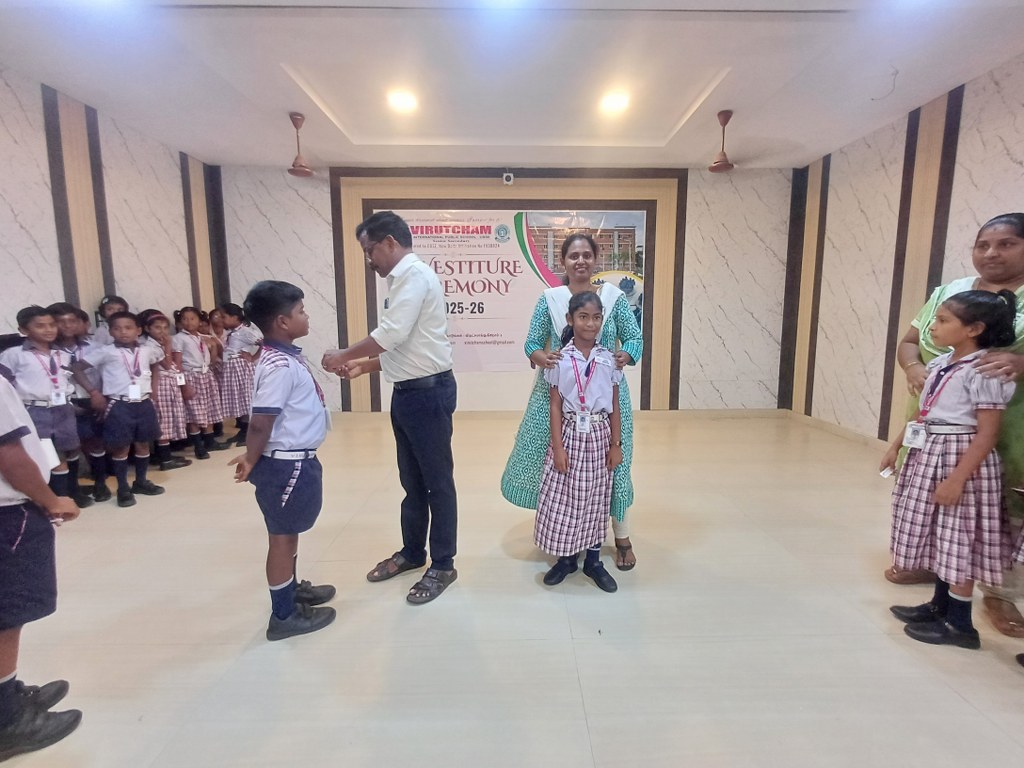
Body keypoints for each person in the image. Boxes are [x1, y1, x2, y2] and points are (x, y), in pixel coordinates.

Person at [892, 213, 1024, 639]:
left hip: (977, 446)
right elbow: (911, 347)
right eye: (983, 244)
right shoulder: (948, 341)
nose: (992, 253)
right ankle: (939, 601)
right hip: (936, 442)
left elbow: (986, 432)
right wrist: (898, 442)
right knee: (942, 527)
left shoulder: (982, 372)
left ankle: (977, 610)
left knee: (968, 531)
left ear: (975, 329)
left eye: (1006, 244)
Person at [322, 210, 459, 605]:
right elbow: (408, 346)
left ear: (389, 243)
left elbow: (392, 334)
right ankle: (413, 552)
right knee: (411, 481)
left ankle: (443, 563)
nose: (369, 259)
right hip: (408, 393)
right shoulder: (402, 280)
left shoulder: (414, 276)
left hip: (428, 395)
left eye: (370, 250)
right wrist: (363, 366)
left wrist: (344, 354)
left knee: (437, 483)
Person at [501, 233, 643, 570]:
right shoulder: (550, 299)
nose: (580, 261)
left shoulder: (612, 298)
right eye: (573, 256)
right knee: (558, 467)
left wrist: (626, 354)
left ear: (595, 259)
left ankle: (621, 537)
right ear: (563, 262)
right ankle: (567, 536)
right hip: (556, 396)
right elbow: (532, 343)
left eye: (586, 255)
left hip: (606, 401)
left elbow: (634, 337)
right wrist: (542, 357)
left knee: (613, 466)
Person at [229, 280, 336, 641]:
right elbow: (262, 420)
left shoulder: (284, 356)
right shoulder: (278, 365)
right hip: (287, 465)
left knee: (289, 533)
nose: (307, 316)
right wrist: (250, 457)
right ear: (282, 321)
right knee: (282, 538)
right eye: (301, 311)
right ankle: (284, 615)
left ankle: (290, 589)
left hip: (296, 460)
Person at [0, 375, 81, 760]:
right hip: (6, 513)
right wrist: (50, 499)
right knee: (7, 613)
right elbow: (9, 454)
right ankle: (7, 721)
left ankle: (6, 693)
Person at [536, 291, 623, 593]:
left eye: (596, 317)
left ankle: (594, 561)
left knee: (597, 498)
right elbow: (555, 405)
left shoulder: (608, 360)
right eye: (583, 317)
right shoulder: (560, 360)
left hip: (599, 435)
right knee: (565, 498)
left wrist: (616, 444)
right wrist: (558, 447)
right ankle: (567, 558)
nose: (590, 323)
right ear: (570, 319)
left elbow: (614, 404)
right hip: (570, 434)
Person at [74, 312, 166, 507]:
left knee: (143, 443)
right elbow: (77, 368)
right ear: (110, 331)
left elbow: (156, 366)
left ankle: (141, 481)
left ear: (138, 330)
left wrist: (154, 389)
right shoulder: (106, 351)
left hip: (143, 402)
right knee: (121, 447)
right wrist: (93, 392)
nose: (123, 332)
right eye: (117, 328)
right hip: (119, 404)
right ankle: (123, 488)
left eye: (128, 328)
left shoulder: (147, 350)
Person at [0, 307, 84, 508]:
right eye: (40, 326)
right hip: (35, 410)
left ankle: (73, 491)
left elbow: (67, 379)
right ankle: (56, 498)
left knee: (69, 449)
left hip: (62, 408)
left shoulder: (62, 353)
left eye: (52, 325)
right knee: (48, 454)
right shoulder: (14, 355)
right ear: (23, 330)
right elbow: (6, 385)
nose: (48, 330)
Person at [172, 307, 228, 460]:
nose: (189, 322)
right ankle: (198, 446)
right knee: (193, 413)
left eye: (193, 318)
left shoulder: (202, 337)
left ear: (199, 321)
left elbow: (213, 356)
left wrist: (212, 345)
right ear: (180, 322)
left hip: (206, 375)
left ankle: (210, 441)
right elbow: (177, 365)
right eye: (185, 319)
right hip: (191, 376)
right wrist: (183, 385)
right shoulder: (179, 339)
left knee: (209, 409)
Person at [139, 310, 191, 472]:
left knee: (168, 420)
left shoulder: (158, 344)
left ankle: (164, 455)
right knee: (164, 422)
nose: (162, 331)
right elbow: (167, 365)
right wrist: (168, 346)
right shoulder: (149, 346)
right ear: (147, 329)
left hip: (169, 384)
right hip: (160, 385)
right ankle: (165, 459)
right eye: (157, 327)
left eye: (165, 328)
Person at [218, 302, 262, 446]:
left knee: (246, 398)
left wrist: (253, 357)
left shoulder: (245, 331)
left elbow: (264, 344)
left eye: (224, 317)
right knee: (239, 400)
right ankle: (243, 430)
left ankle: (250, 432)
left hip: (240, 369)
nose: (221, 320)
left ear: (235, 317)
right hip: (231, 369)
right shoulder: (231, 333)